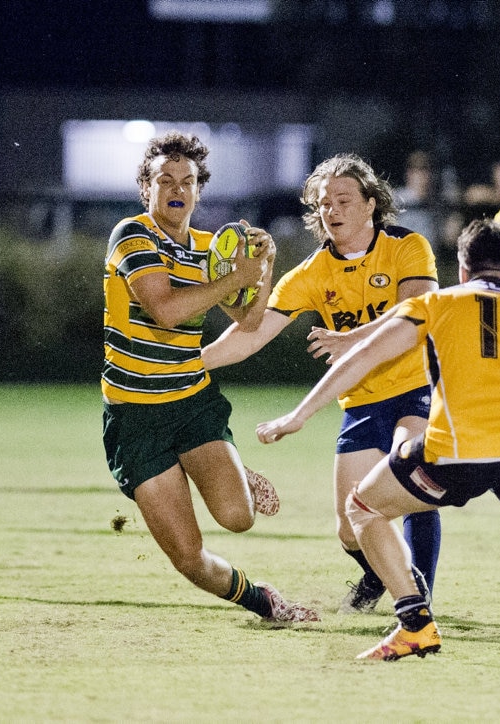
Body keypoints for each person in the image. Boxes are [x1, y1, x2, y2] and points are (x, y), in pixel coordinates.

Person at [255, 219, 500, 662]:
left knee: (363, 507)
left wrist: (300, 414)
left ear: (463, 269)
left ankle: (415, 623)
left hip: (455, 452)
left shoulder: (437, 303)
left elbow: (363, 356)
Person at [202, 152, 442, 613]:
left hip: (415, 388)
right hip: (360, 400)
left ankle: (418, 597)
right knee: (348, 528)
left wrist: (350, 337)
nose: (331, 210)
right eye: (323, 203)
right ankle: (379, 576)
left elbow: (417, 310)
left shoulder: (408, 247)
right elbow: (251, 334)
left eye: (343, 200)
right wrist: (192, 364)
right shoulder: (313, 273)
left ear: (371, 204)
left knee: (414, 486)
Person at [102, 130, 318, 623]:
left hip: (191, 402)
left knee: (238, 518)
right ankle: (264, 601)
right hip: (134, 417)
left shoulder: (207, 248)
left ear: (199, 191)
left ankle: (233, 471)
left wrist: (262, 268)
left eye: (188, 180)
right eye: (164, 180)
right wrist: (233, 278)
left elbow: (247, 319)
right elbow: (164, 311)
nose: (176, 188)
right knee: (188, 559)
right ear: (146, 188)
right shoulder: (131, 235)